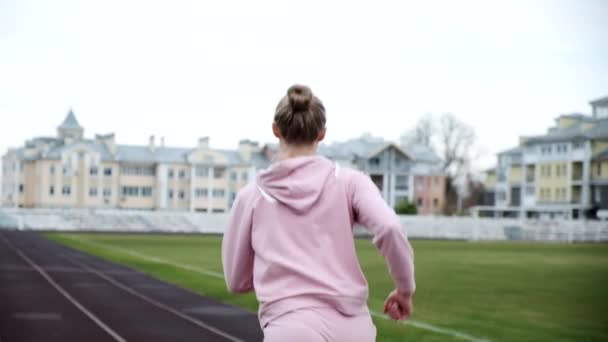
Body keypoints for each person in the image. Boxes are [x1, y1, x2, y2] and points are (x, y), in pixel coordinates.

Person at [222, 84, 415, 341]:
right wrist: (404, 290)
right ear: (322, 134)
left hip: (289, 328)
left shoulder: (251, 196)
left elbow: (237, 281)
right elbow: (390, 227)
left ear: (275, 130)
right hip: (353, 330)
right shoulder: (352, 183)